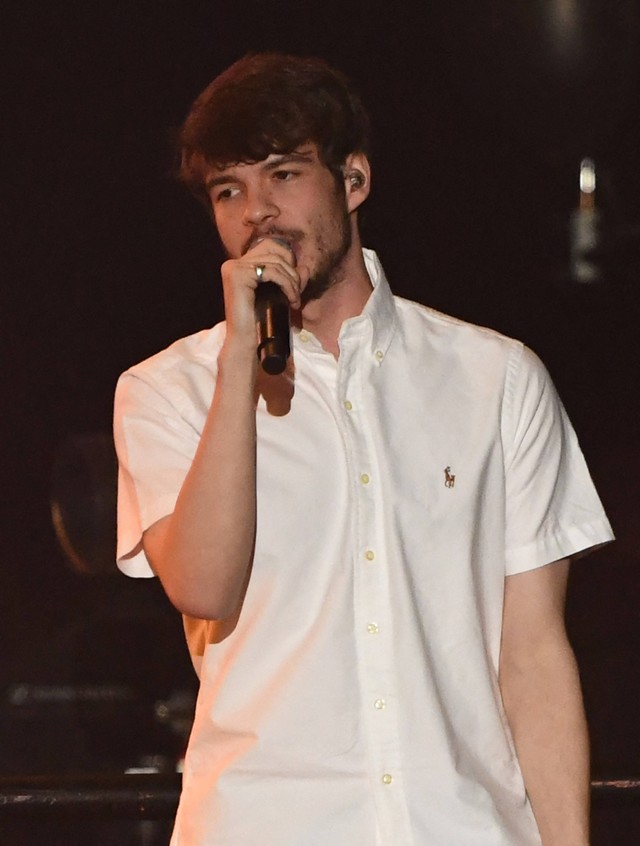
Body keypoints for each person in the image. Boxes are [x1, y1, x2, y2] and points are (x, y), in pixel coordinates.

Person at [113, 52, 614, 846]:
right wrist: (240, 361)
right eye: (229, 190)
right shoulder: (166, 389)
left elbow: (534, 658)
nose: (258, 215)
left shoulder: (494, 378)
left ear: (353, 181)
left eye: (283, 175)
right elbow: (204, 585)